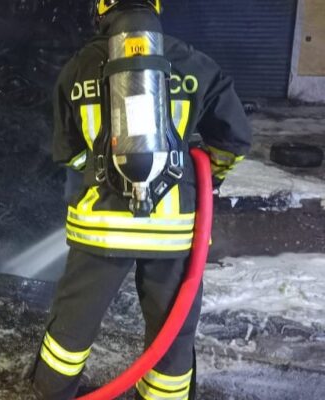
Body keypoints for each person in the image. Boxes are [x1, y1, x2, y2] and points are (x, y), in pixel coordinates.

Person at [30, 1, 253, 399]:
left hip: (100, 230)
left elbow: (69, 153)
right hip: (172, 230)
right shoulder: (192, 62)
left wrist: (98, 173)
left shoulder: (79, 67)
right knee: (171, 333)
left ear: (102, 8)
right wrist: (206, 176)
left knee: (72, 326)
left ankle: (52, 392)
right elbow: (233, 140)